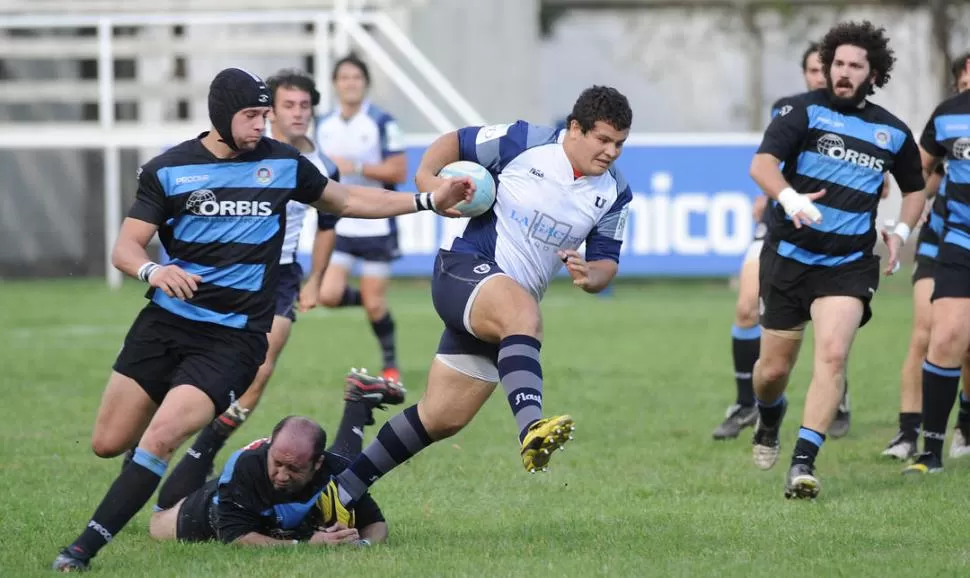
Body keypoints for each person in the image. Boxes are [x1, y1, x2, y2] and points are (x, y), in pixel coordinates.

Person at [51, 67, 473, 572]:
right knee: (108, 442)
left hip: (234, 338)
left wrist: (427, 200)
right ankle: (152, 455)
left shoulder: (282, 163)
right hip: (164, 326)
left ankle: (81, 551)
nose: (261, 126)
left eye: (264, 115)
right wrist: (154, 270)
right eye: (251, 116)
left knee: (159, 437)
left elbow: (350, 199)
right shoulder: (168, 171)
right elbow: (125, 247)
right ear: (221, 116)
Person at [316, 86, 633, 524]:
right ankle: (531, 428)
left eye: (619, 143)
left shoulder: (615, 192)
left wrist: (589, 274)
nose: (611, 151)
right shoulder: (525, 142)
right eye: (603, 140)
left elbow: (606, 263)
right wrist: (428, 180)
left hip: (500, 317)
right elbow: (456, 141)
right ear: (575, 128)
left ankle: (341, 491)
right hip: (464, 271)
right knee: (525, 314)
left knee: (444, 416)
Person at [143, 68, 407, 498]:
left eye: (305, 105)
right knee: (186, 368)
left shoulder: (315, 165)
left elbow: (328, 224)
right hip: (218, 273)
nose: (298, 113)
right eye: (288, 105)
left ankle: (206, 451)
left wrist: (315, 279)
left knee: (260, 368)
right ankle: (156, 438)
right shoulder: (235, 151)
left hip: (278, 276)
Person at [747, 21, 925, 499]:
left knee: (832, 354)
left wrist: (902, 230)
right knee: (772, 373)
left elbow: (916, 188)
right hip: (789, 258)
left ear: (873, 73)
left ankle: (803, 464)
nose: (843, 73)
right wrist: (790, 199)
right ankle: (768, 419)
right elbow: (761, 165)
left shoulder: (892, 132)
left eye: (855, 66)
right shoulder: (801, 112)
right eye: (838, 64)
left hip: (847, 265)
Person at [713, 43, 830, 440]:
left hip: (827, 233)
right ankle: (746, 403)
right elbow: (768, 163)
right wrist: (773, 195)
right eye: (814, 69)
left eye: (826, 69)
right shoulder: (790, 110)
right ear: (805, 74)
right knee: (746, 307)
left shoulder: (856, 122)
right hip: (778, 226)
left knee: (827, 322)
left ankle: (837, 396)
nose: (821, 77)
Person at [148, 370, 397, 547]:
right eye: (277, 463)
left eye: (294, 468)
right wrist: (307, 544)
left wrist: (361, 545)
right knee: (158, 520)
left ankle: (358, 402)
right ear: (269, 449)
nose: (282, 475)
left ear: (317, 464)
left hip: (257, 500)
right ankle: (213, 435)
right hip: (196, 514)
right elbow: (236, 539)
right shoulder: (247, 467)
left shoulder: (335, 470)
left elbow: (376, 524)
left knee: (346, 469)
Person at [883, 53, 970, 461]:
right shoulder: (948, 118)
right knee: (937, 334)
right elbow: (919, 174)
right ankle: (919, 443)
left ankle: (965, 423)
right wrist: (900, 224)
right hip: (952, 241)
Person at [315, 54, 408, 383]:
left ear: (365, 83)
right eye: (344, 78)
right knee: (326, 295)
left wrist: (354, 166)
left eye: (356, 77)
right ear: (335, 84)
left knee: (374, 305)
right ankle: (371, 299)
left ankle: (390, 363)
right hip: (340, 222)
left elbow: (398, 169)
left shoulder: (382, 122)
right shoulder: (322, 125)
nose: (350, 83)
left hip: (376, 222)